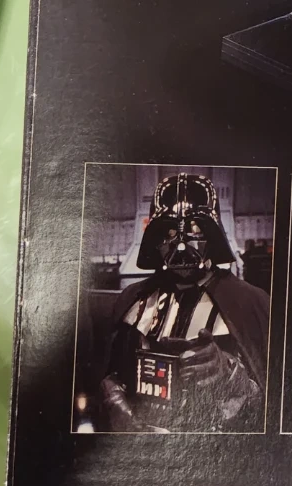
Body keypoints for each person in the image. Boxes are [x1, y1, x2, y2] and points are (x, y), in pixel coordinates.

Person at [94, 173, 269, 433]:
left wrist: (231, 375)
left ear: (213, 236)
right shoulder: (133, 299)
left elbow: (270, 399)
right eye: (170, 233)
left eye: (195, 231)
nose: (182, 246)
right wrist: (113, 399)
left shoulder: (249, 303)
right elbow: (114, 370)